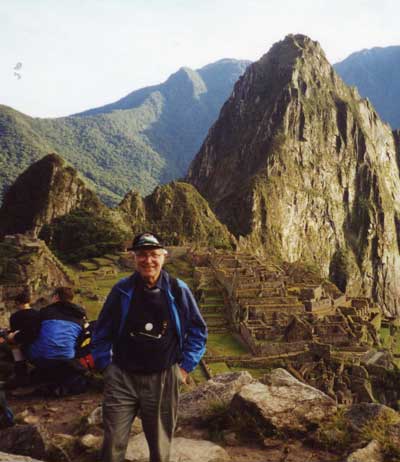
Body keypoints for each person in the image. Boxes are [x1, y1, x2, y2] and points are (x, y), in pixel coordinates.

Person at [91, 232, 207, 462]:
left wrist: (183, 369)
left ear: (164, 257)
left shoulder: (177, 289)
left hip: (163, 377)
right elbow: (101, 330)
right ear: (134, 258)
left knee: (160, 446)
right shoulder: (121, 290)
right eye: (142, 255)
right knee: (113, 442)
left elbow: (198, 330)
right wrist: (106, 365)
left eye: (153, 255)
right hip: (122, 376)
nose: (148, 261)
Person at [27, 287, 88, 393]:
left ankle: (21, 375)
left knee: (24, 346)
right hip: (67, 358)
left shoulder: (45, 312)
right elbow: (79, 340)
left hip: (43, 358)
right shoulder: (79, 317)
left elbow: (32, 333)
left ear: (56, 297)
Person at [5, 289, 40, 388]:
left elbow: (15, 334)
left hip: (24, 345)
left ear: (17, 303)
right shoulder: (37, 314)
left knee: (13, 346)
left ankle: (20, 371)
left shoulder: (15, 316)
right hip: (38, 343)